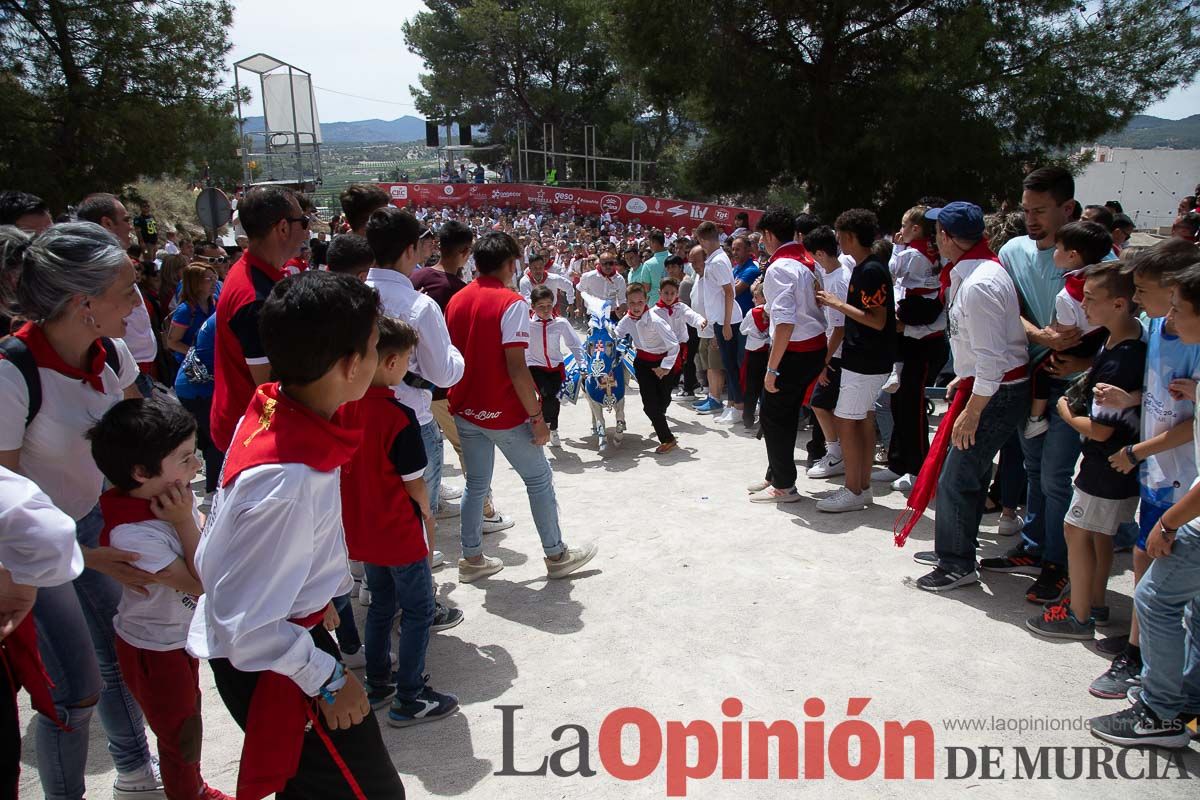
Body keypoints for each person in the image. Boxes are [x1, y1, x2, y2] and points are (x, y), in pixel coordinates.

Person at [188, 270, 406, 800]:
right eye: (376, 348)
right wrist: (328, 678)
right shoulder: (288, 478)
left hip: (288, 633)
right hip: (275, 661)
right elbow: (248, 628)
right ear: (352, 364)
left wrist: (314, 594)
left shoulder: (275, 406)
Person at [0, 224, 163, 799]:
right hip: (26, 554)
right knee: (74, 691)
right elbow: (6, 509)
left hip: (91, 525)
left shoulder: (112, 354)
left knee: (120, 654)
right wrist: (87, 556)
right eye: (128, 290)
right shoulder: (10, 373)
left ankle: (136, 774)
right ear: (83, 304)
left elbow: (140, 444)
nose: (139, 305)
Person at [87, 398, 233, 800]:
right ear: (141, 472)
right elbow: (201, 582)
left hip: (174, 640)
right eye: (185, 459)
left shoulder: (162, 504)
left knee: (188, 721)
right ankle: (189, 793)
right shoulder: (134, 535)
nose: (197, 467)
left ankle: (194, 786)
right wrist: (187, 520)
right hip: (154, 651)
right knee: (180, 735)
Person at [1088, 262, 1200, 749]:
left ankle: (1159, 713)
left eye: (1178, 309)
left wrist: (1171, 524)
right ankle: (1188, 699)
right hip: (1173, 489)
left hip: (1184, 502)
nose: (1167, 318)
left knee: (1155, 599)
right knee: (1190, 609)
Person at [445, 232, 598, 583]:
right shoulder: (511, 302)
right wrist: (536, 417)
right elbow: (516, 366)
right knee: (539, 479)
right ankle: (556, 554)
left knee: (477, 484)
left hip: (466, 408)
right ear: (510, 264)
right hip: (502, 411)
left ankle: (471, 558)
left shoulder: (457, 299)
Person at [338, 314, 460, 725]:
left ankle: (379, 682)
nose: (410, 366)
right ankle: (411, 694)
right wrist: (427, 512)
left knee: (379, 607)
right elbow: (415, 485)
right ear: (391, 364)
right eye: (408, 358)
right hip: (400, 531)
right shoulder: (399, 417)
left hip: (365, 531)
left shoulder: (345, 410)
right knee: (419, 609)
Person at [906, 203, 1030, 591]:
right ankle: (959, 546)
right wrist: (966, 377)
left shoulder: (979, 284)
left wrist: (973, 412)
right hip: (986, 384)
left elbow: (993, 357)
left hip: (996, 391)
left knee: (956, 477)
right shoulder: (973, 273)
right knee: (967, 473)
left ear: (945, 237)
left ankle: (956, 563)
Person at [1024, 262, 1145, 639]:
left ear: (1121, 304)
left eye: (1091, 300)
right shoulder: (1126, 339)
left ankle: (1077, 616)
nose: (1084, 307)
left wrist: (1064, 411)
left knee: (1076, 530)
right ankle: (1094, 602)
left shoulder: (1121, 357)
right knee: (1099, 534)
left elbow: (1101, 427)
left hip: (1104, 461)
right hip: (1114, 463)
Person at [989, 166, 1088, 604]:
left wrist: (1078, 356)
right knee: (1033, 470)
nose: (1031, 219)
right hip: (1030, 381)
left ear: (1067, 208)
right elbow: (1008, 308)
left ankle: (1058, 564)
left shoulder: (1098, 259)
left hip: (1077, 387)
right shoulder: (1012, 251)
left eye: (1041, 210)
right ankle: (1033, 547)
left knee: (1055, 476)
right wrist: (1041, 336)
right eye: (1026, 209)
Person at [415, 221, 516, 536]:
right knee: (468, 450)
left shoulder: (415, 278)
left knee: (429, 448)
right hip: (445, 387)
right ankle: (484, 511)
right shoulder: (459, 291)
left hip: (414, 386)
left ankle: (436, 502)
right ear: (464, 252)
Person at [365, 207, 465, 524]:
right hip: (410, 421)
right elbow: (442, 373)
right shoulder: (420, 306)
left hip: (358, 418)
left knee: (373, 518)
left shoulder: (350, 296)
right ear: (410, 249)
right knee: (416, 524)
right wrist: (458, 356)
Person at [210, 186, 310, 454]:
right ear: (283, 228)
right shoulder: (255, 299)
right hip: (254, 435)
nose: (308, 231)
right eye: (305, 222)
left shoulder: (253, 274)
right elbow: (271, 386)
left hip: (248, 426)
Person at [813, 209, 896, 512]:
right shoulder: (866, 267)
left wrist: (838, 304)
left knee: (847, 420)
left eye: (839, 235)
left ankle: (852, 489)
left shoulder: (871, 270)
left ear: (848, 236)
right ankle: (861, 487)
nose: (837, 241)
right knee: (861, 418)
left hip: (866, 359)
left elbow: (877, 320)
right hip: (866, 358)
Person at [750, 209, 828, 504]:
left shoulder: (781, 266)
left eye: (762, 237)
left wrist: (772, 369)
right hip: (811, 347)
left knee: (774, 415)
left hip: (795, 350)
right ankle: (776, 474)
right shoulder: (805, 262)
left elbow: (784, 322)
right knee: (781, 413)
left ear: (769, 235)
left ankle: (783, 484)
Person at [1023, 220, 1113, 438]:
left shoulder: (1068, 294)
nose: (1054, 253)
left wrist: (1050, 332)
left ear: (1072, 255)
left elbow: (1065, 335)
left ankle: (1035, 418)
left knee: (1037, 371)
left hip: (1078, 343)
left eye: (1057, 249)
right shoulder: (1107, 278)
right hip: (1102, 339)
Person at [76, 193, 160, 396]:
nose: (130, 226)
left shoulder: (117, 262)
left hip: (133, 370)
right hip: (117, 371)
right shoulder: (96, 269)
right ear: (106, 223)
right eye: (125, 220)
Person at [803, 226, 852, 480]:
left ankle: (837, 454)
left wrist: (824, 361)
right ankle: (838, 451)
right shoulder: (834, 275)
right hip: (836, 352)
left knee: (820, 403)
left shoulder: (838, 280)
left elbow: (840, 328)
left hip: (838, 354)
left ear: (820, 253)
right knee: (825, 405)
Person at [618, 283, 682, 453]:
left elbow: (674, 345)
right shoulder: (626, 320)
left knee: (663, 400)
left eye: (640, 302)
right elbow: (616, 335)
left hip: (662, 364)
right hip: (642, 364)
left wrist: (665, 367)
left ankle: (658, 418)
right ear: (627, 303)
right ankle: (667, 438)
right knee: (649, 405)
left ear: (646, 300)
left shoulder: (656, 320)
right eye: (632, 303)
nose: (636, 307)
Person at [695, 221, 745, 424]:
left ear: (702, 239)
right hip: (723, 319)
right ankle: (732, 404)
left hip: (729, 320)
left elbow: (728, 292)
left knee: (732, 365)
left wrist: (724, 324)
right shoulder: (716, 259)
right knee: (729, 363)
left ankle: (739, 407)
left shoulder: (717, 261)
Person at [526, 286, 584, 448]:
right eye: (540, 306)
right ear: (533, 307)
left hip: (556, 367)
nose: (545, 310)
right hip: (535, 367)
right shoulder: (526, 324)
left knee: (554, 398)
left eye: (548, 305)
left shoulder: (561, 323)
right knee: (547, 395)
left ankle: (553, 429)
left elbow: (574, 344)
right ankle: (542, 426)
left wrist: (582, 365)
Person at [174, 313, 222, 500]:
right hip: (198, 390)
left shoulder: (218, 315)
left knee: (206, 440)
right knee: (216, 440)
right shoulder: (226, 318)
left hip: (192, 386)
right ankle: (212, 491)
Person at [688, 245, 725, 414]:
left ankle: (716, 399)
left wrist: (718, 331)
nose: (693, 265)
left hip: (714, 329)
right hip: (703, 329)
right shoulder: (697, 276)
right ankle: (711, 395)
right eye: (691, 262)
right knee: (708, 365)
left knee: (715, 365)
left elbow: (722, 303)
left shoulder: (713, 276)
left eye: (696, 261)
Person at [665, 255, 703, 397]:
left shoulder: (685, 283)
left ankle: (689, 388)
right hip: (684, 326)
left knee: (687, 357)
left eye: (673, 266)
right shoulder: (676, 283)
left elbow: (681, 307)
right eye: (668, 267)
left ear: (681, 267)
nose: (670, 270)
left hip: (689, 326)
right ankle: (691, 383)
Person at [165, 264, 217, 364]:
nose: (215, 282)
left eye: (215, 277)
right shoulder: (185, 310)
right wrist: (197, 354)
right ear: (196, 283)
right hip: (189, 366)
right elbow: (172, 342)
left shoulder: (215, 304)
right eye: (209, 279)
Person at [739, 282, 770, 430]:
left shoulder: (752, 313)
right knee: (767, 388)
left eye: (756, 297)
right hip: (769, 353)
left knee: (751, 388)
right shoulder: (775, 311)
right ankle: (765, 420)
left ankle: (748, 418)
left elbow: (742, 329)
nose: (753, 300)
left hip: (754, 354)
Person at [576, 247, 628, 315]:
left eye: (610, 263)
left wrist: (622, 311)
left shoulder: (619, 279)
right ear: (600, 264)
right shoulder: (588, 276)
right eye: (604, 264)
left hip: (611, 313)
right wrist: (579, 307)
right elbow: (579, 290)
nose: (608, 266)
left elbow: (622, 299)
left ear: (614, 263)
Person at [630, 230, 669, 304]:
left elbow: (646, 289)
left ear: (653, 242)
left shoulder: (648, 264)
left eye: (649, 242)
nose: (649, 245)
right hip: (673, 303)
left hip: (655, 304)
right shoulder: (674, 258)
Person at [730, 235, 761, 315]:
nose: (734, 253)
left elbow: (732, 292)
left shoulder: (751, 270)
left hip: (744, 317)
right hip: (734, 316)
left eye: (738, 250)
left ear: (748, 250)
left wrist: (730, 285)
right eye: (733, 249)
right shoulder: (736, 268)